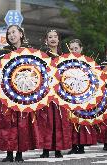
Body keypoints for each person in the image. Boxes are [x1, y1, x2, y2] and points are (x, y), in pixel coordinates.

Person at [0, 25, 37, 162]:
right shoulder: (3, 52)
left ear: (21, 34)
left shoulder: (29, 51)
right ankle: (8, 153)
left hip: (24, 92)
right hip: (7, 92)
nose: (11, 35)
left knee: (22, 123)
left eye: (14, 32)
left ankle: (19, 153)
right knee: (7, 122)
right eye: (9, 33)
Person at [37, 30, 72, 158]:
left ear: (59, 39)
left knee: (60, 121)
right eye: (50, 37)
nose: (53, 39)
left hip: (61, 93)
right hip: (46, 93)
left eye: (55, 37)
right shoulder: (42, 55)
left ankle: (58, 149)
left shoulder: (65, 56)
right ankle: (45, 149)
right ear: (46, 40)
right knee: (46, 120)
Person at [67, 39, 97, 154]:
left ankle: (82, 145)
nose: (74, 51)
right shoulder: (66, 62)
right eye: (72, 49)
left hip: (84, 94)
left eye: (76, 48)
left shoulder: (87, 62)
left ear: (81, 49)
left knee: (82, 119)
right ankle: (73, 145)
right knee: (72, 120)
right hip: (70, 94)